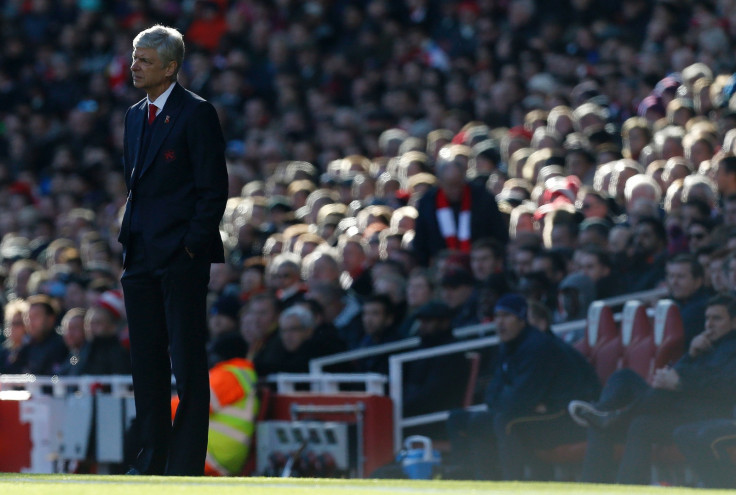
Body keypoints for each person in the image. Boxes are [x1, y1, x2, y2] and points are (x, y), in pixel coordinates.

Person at [118, 25, 228, 476]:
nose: (134, 65)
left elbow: (213, 189)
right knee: (146, 362)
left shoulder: (196, 114)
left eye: (144, 59)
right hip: (140, 254)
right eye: (134, 57)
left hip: (180, 257)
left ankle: (183, 465)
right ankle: (150, 459)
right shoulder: (132, 116)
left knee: (185, 361)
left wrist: (189, 249)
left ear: (170, 67)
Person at [568, 293, 736, 484]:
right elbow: (680, 372)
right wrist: (690, 354)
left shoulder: (732, 347)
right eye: (707, 318)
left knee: (637, 420)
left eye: (717, 318)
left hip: (704, 413)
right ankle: (603, 412)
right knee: (625, 379)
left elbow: (725, 386)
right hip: (678, 403)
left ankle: (610, 420)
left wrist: (679, 383)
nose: (709, 324)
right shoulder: (706, 344)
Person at [446, 293, 600, 481]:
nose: (500, 322)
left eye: (506, 316)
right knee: (458, 418)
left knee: (505, 421)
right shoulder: (507, 345)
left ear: (521, 319)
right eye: (497, 316)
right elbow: (492, 393)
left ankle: (514, 485)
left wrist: (510, 399)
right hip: (535, 412)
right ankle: (473, 480)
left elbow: (521, 398)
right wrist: (508, 399)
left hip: (563, 417)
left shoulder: (538, 346)